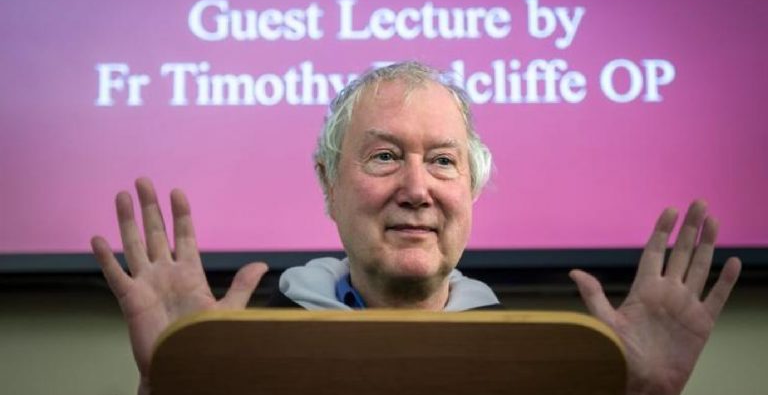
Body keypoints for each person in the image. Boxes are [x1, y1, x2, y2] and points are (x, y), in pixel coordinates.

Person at [91, 61, 742, 395]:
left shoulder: (544, 363)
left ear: (471, 188)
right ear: (328, 183)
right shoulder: (244, 353)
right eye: (384, 157)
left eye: (442, 161)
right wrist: (175, 382)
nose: (416, 188)